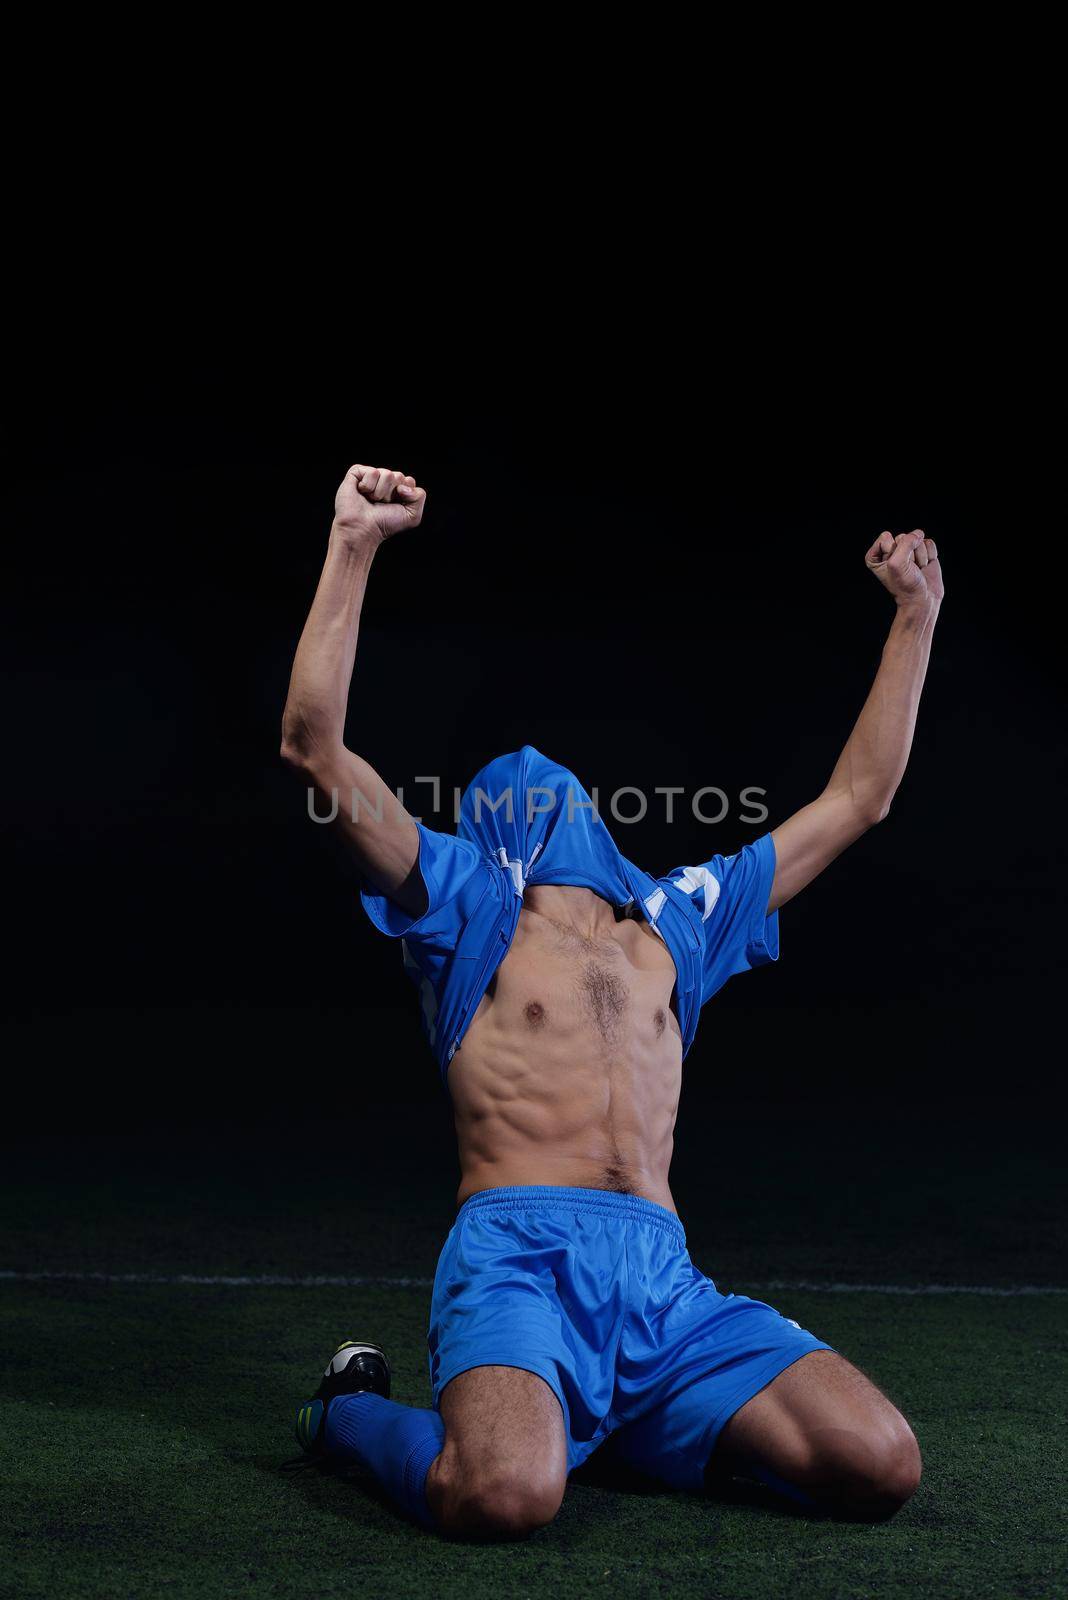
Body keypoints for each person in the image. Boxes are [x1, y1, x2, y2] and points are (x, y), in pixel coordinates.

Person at [281, 463, 942, 1539]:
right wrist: (353, 543)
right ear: (497, 827)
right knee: (503, 1495)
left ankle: (633, 1419)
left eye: (567, 779)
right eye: (519, 778)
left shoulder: (677, 922)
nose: (549, 776)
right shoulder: (463, 907)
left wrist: (917, 613)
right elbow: (314, 746)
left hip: (663, 1280)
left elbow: (860, 797)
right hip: (516, 1260)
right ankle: (351, 1412)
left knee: (880, 1463)